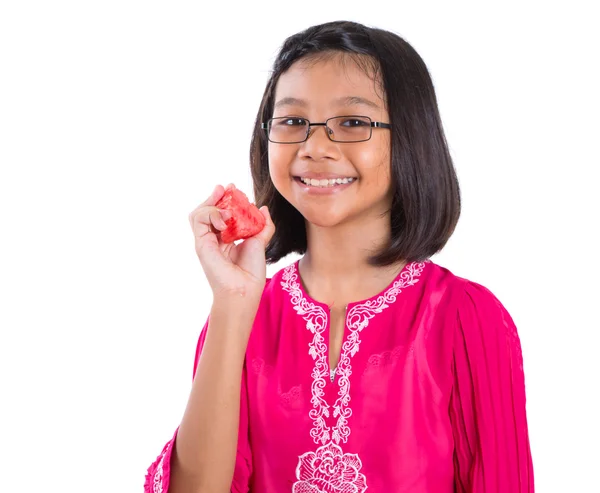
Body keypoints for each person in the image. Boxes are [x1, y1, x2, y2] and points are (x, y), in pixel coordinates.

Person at [144, 20, 534, 493]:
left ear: (409, 136)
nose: (314, 147)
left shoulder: (464, 319)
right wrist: (231, 304)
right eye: (292, 121)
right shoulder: (241, 318)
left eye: (352, 122)